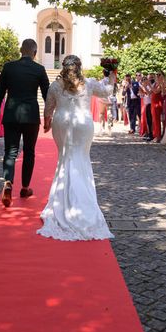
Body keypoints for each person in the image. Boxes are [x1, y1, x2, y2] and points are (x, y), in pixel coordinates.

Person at [38, 55, 115, 241]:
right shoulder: (88, 83)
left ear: (64, 67)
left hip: (62, 122)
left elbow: (48, 109)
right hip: (83, 124)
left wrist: (47, 123)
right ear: (79, 67)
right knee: (81, 159)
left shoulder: (56, 86)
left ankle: (62, 203)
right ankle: (84, 204)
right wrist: (112, 76)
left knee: (65, 159)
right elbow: (107, 92)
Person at [0, 39, 49, 207]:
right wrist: (49, 115)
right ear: (35, 53)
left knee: (10, 151)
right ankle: (25, 187)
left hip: (11, 114)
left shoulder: (9, 67)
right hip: (31, 116)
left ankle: (8, 183)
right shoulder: (39, 69)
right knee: (29, 151)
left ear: (20, 50)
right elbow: (47, 94)